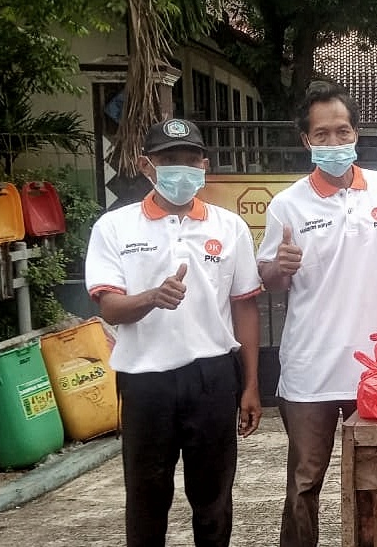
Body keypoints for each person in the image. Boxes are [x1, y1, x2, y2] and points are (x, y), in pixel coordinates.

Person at [85, 118, 262, 547]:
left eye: (188, 160)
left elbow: (245, 306)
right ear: (146, 165)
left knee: (214, 499)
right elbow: (109, 306)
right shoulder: (115, 226)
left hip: (212, 377)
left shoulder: (229, 226)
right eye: (168, 161)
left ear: (204, 165)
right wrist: (152, 297)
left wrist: (251, 385)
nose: (179, 169)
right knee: (146, 498)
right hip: (146, 381)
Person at [257, 81, 377, 547]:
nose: (334, 142)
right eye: (321, 134)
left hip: (374, 369)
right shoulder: (287, 204)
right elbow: (269, 276)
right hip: (310, 370)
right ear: (306, 140)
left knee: (375, 483)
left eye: (342, 131)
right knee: (305, 482)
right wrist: (280, 268)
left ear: (356, 133)